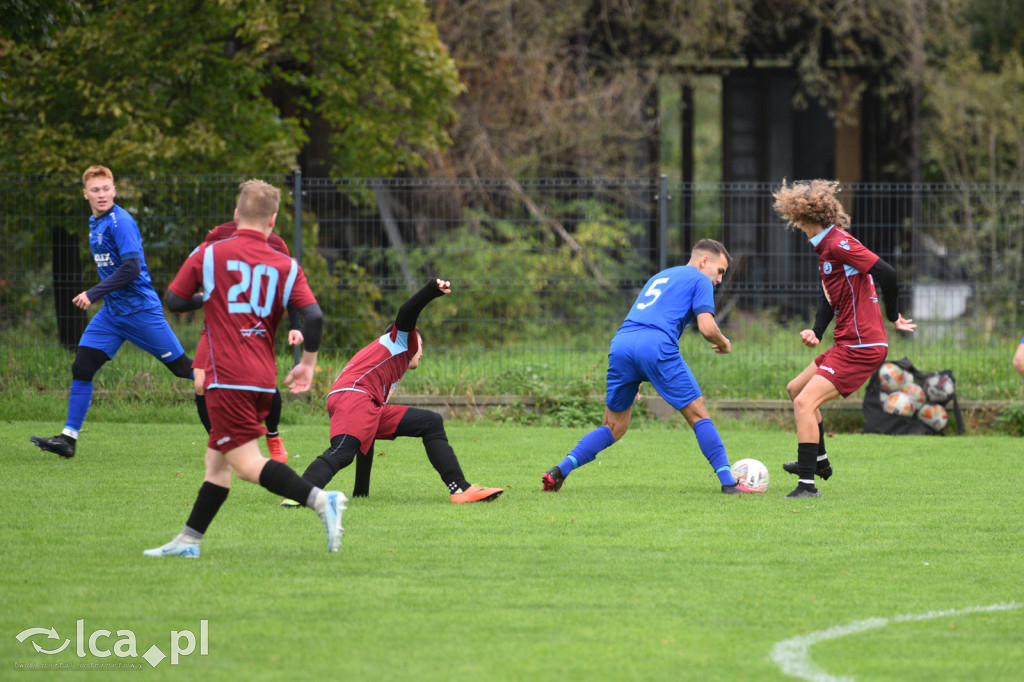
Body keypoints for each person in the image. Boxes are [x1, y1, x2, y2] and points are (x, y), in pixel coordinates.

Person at [144, 179, 346, 557]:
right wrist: (307, 365)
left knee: (247, 465)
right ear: (273, 220)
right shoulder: (286, 264)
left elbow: (174, 299)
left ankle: (321, 500)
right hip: (260, 379)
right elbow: (314, 316)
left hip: (227, 377)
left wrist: (212, 295)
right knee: (215, 464)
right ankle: (189, 541)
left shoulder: (210, 253)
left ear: (236, 215)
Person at [542, 239, 756, 495]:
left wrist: (638, 372)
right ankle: (729, 483)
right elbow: (707, 328)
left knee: (613, 427)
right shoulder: (699, 279)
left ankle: (559, 471)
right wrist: (724, 343)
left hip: (622, 343)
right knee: (698, 415)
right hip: (655, 344)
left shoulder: (661, 276)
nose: (719, 280)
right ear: (704, 261)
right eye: (720, 271)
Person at [283, 278, 503, 505]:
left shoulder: (385, 361)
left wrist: (361, 493)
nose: (421, 352)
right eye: (421, 346)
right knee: (342, 451)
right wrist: (430, 291)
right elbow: (406, 311)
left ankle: (460, 489)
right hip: (354, 396)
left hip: (358, 399)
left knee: (431, 421)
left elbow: (366, 435)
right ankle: (298, 494)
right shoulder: (401, 341)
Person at [31, 165, 194, 459]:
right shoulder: (95, 222)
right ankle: (68, 439)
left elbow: (131, 269)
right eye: (95, 190)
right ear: (86, 194)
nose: (101, 194)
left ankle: (236, 381)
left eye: (106, 188)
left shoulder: (121, 222)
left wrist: (93, 293)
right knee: (82, 367)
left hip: (140, 311)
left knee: (183, 369)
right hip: (113, 314)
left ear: (114, 190)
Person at [772, 179, 917, 499]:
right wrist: (817, 331)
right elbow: (831, 298)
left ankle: (807, 485)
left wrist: (893, 317)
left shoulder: (838, 243)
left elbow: (887, 274)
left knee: (804, 403)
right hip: (847, 341)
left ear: (801, 217)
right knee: (795, 389)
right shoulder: (825, 248)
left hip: (861, 344)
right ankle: (819, 461)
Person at [191, 219, 303, 463]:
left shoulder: (275, 243)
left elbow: (290, 286)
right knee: (200, 382)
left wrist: (295, 326)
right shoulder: (219, 234)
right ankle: (221, 444)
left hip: (254, 324)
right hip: (217, 323)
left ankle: (273, 437)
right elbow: (197, 269)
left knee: (262, 380)